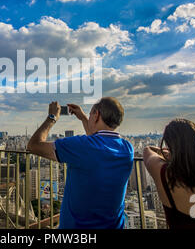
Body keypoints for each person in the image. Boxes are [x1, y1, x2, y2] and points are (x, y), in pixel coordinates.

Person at [26, 97, 134, 229]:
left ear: (97, 115)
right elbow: (97, 143)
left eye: (90, 115)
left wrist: (52, 117)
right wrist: (84, 118)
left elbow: (33, 145)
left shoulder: (81, 146)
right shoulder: (127, 149)